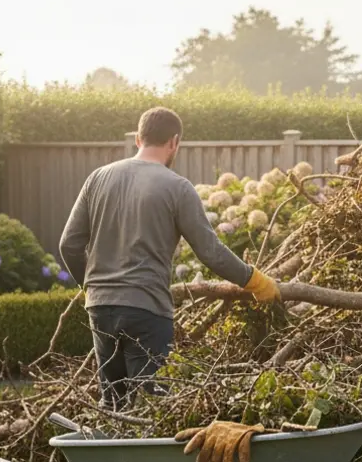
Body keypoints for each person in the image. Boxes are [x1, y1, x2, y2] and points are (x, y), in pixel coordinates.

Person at [58, 107, 281, 411]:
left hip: (100, 308)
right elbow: (210, 252)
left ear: (138, 138)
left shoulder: (97, 178)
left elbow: (69, 245)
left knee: (114, 405)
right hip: (147, 311)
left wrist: (92, 287)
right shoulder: (177, 187)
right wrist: (255, 280)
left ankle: (107, 454)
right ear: (174, 142)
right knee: (153, 408)